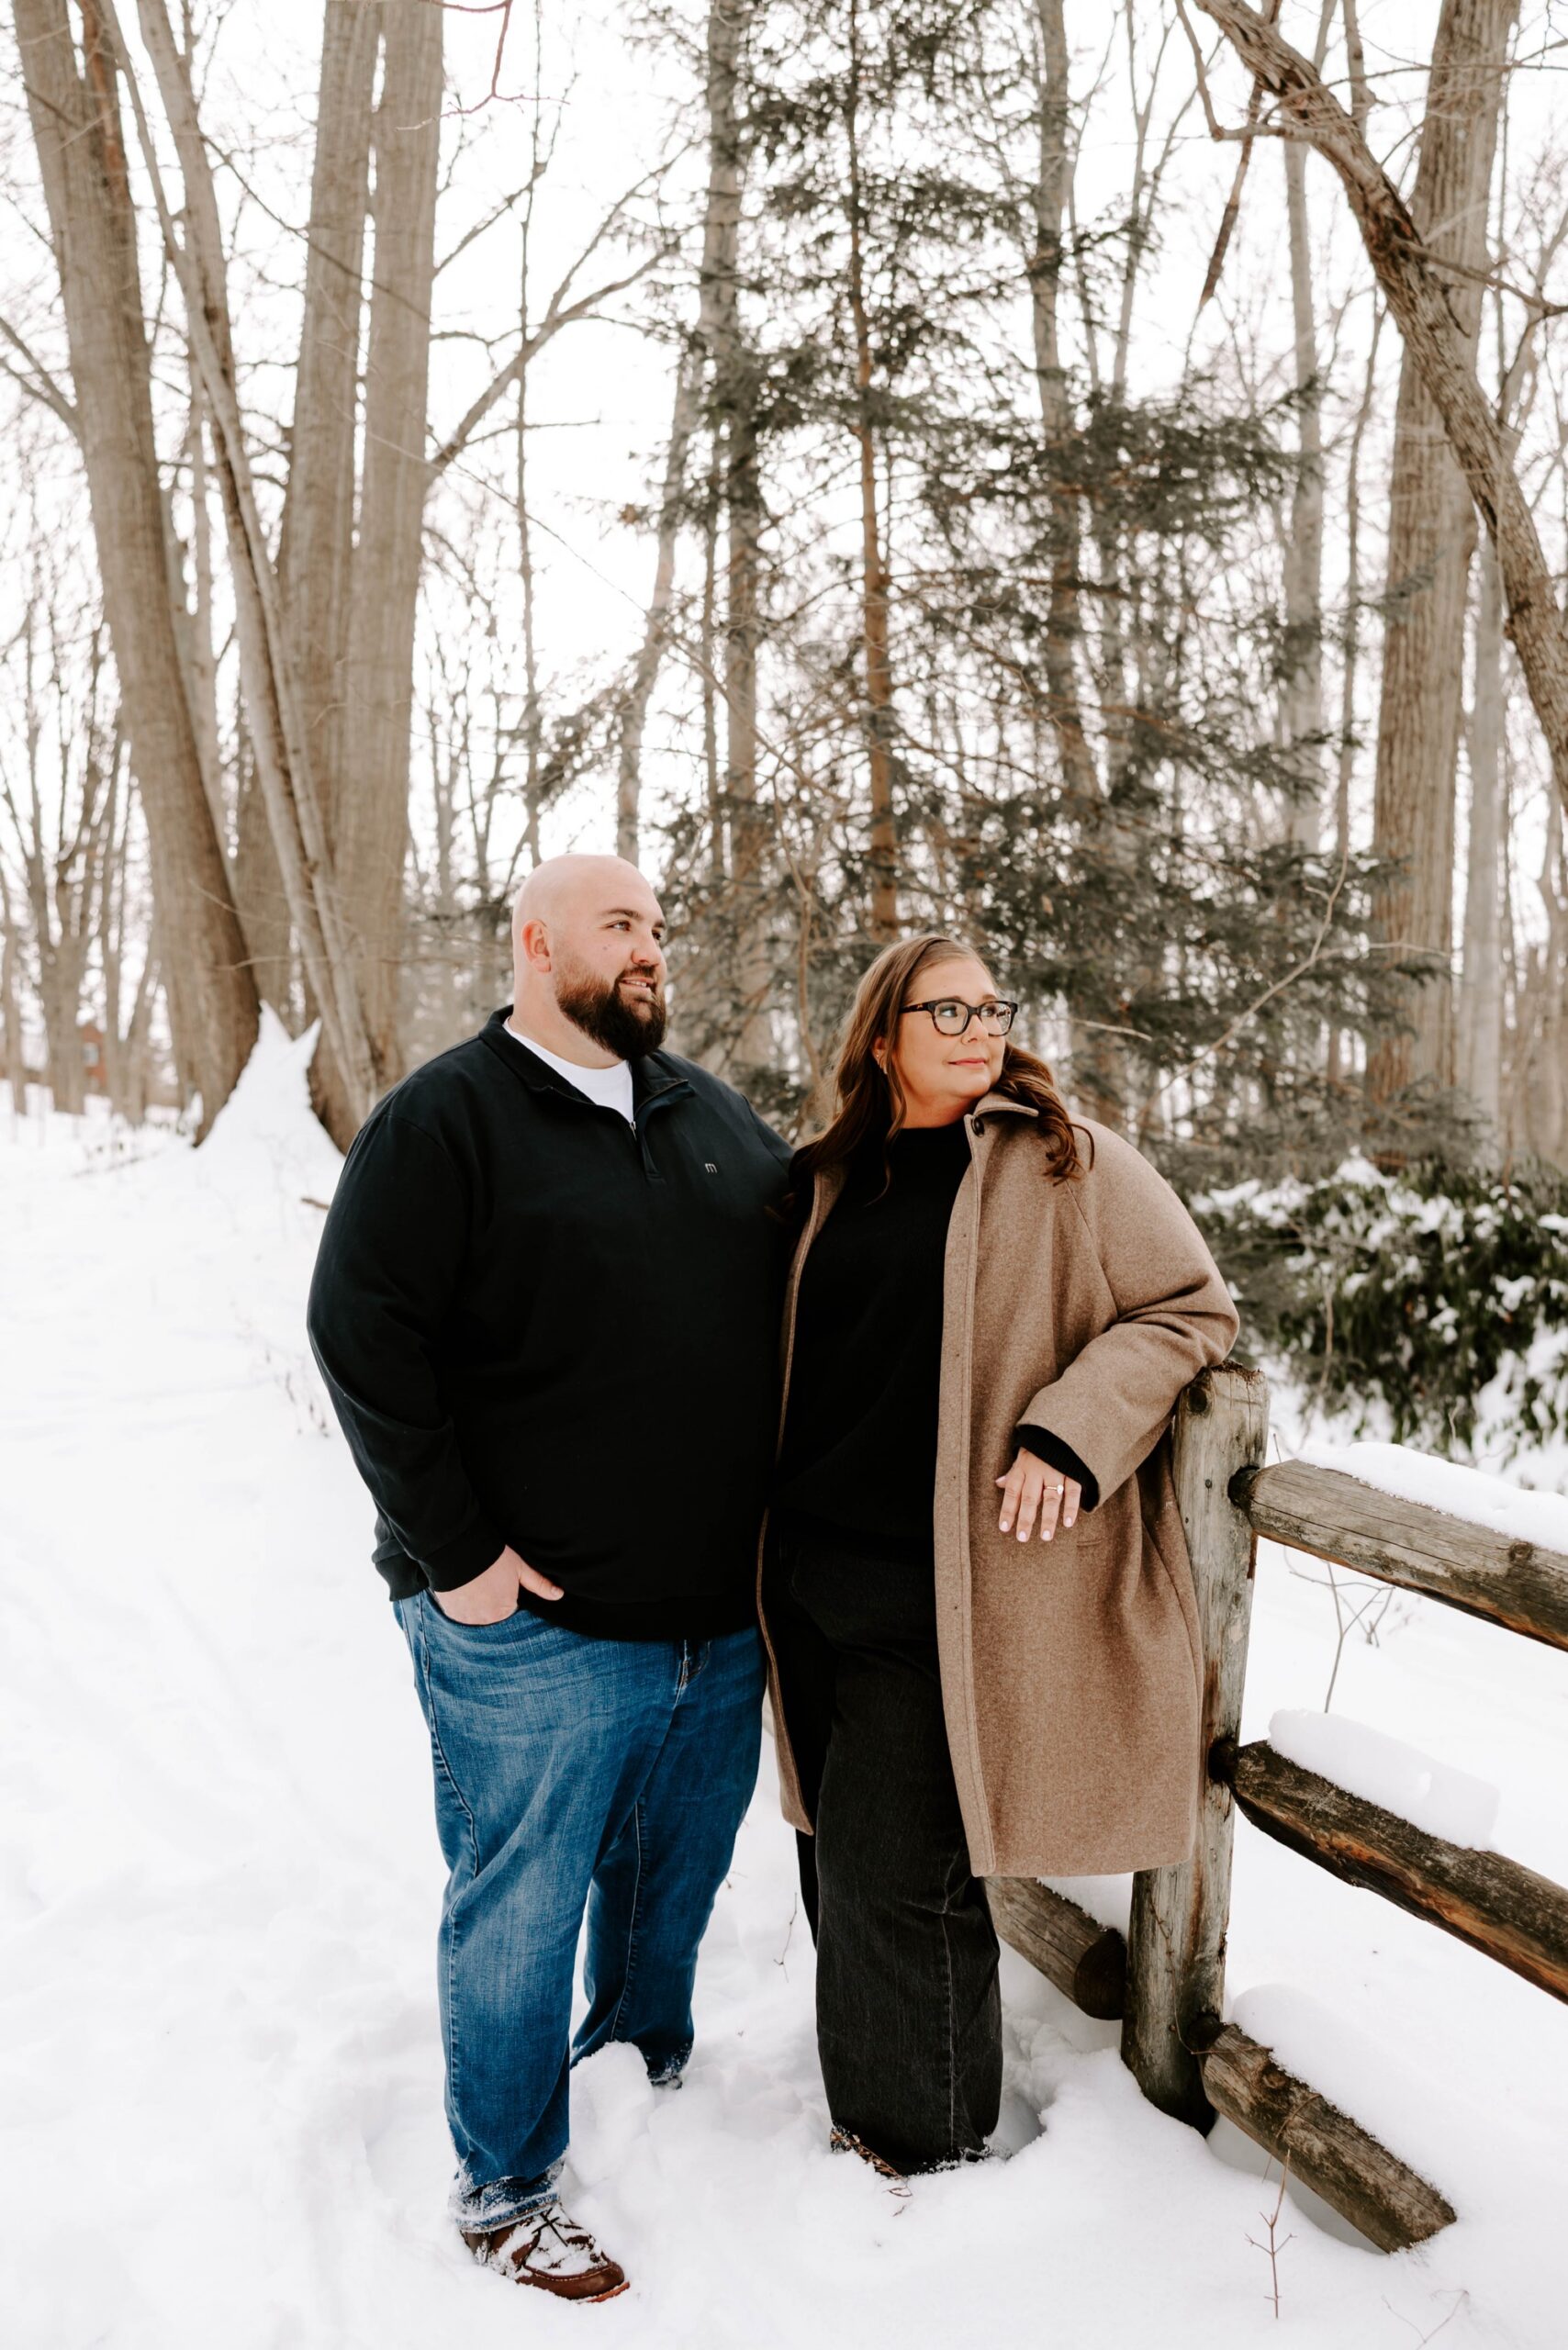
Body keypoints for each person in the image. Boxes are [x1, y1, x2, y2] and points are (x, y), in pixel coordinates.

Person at [307, 855, 790, 2302]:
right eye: (623, 926)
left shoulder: (708, 1117)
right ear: (534, 942)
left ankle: (640, 2070)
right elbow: (359, 1331)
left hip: (712, 1619)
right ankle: (507, 2183)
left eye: (661, 931)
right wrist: (458, 1559)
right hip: (532, 1629)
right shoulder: (445, 1122)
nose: (653, 950)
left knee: (671, 1878)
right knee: (522, 1902)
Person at [761, 933, 1239, 2180]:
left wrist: (1069, 1434)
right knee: (835, 1866)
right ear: (884, 1037)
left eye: (991, 1007)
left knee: (898, 1884)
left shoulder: (1065, 1159)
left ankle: (926, 2158)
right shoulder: (827, 1180)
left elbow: (1192, 1309)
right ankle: (886, 2114)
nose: (979, 1029)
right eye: (947, 1010)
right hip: (810, 1586)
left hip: (948, 1598)